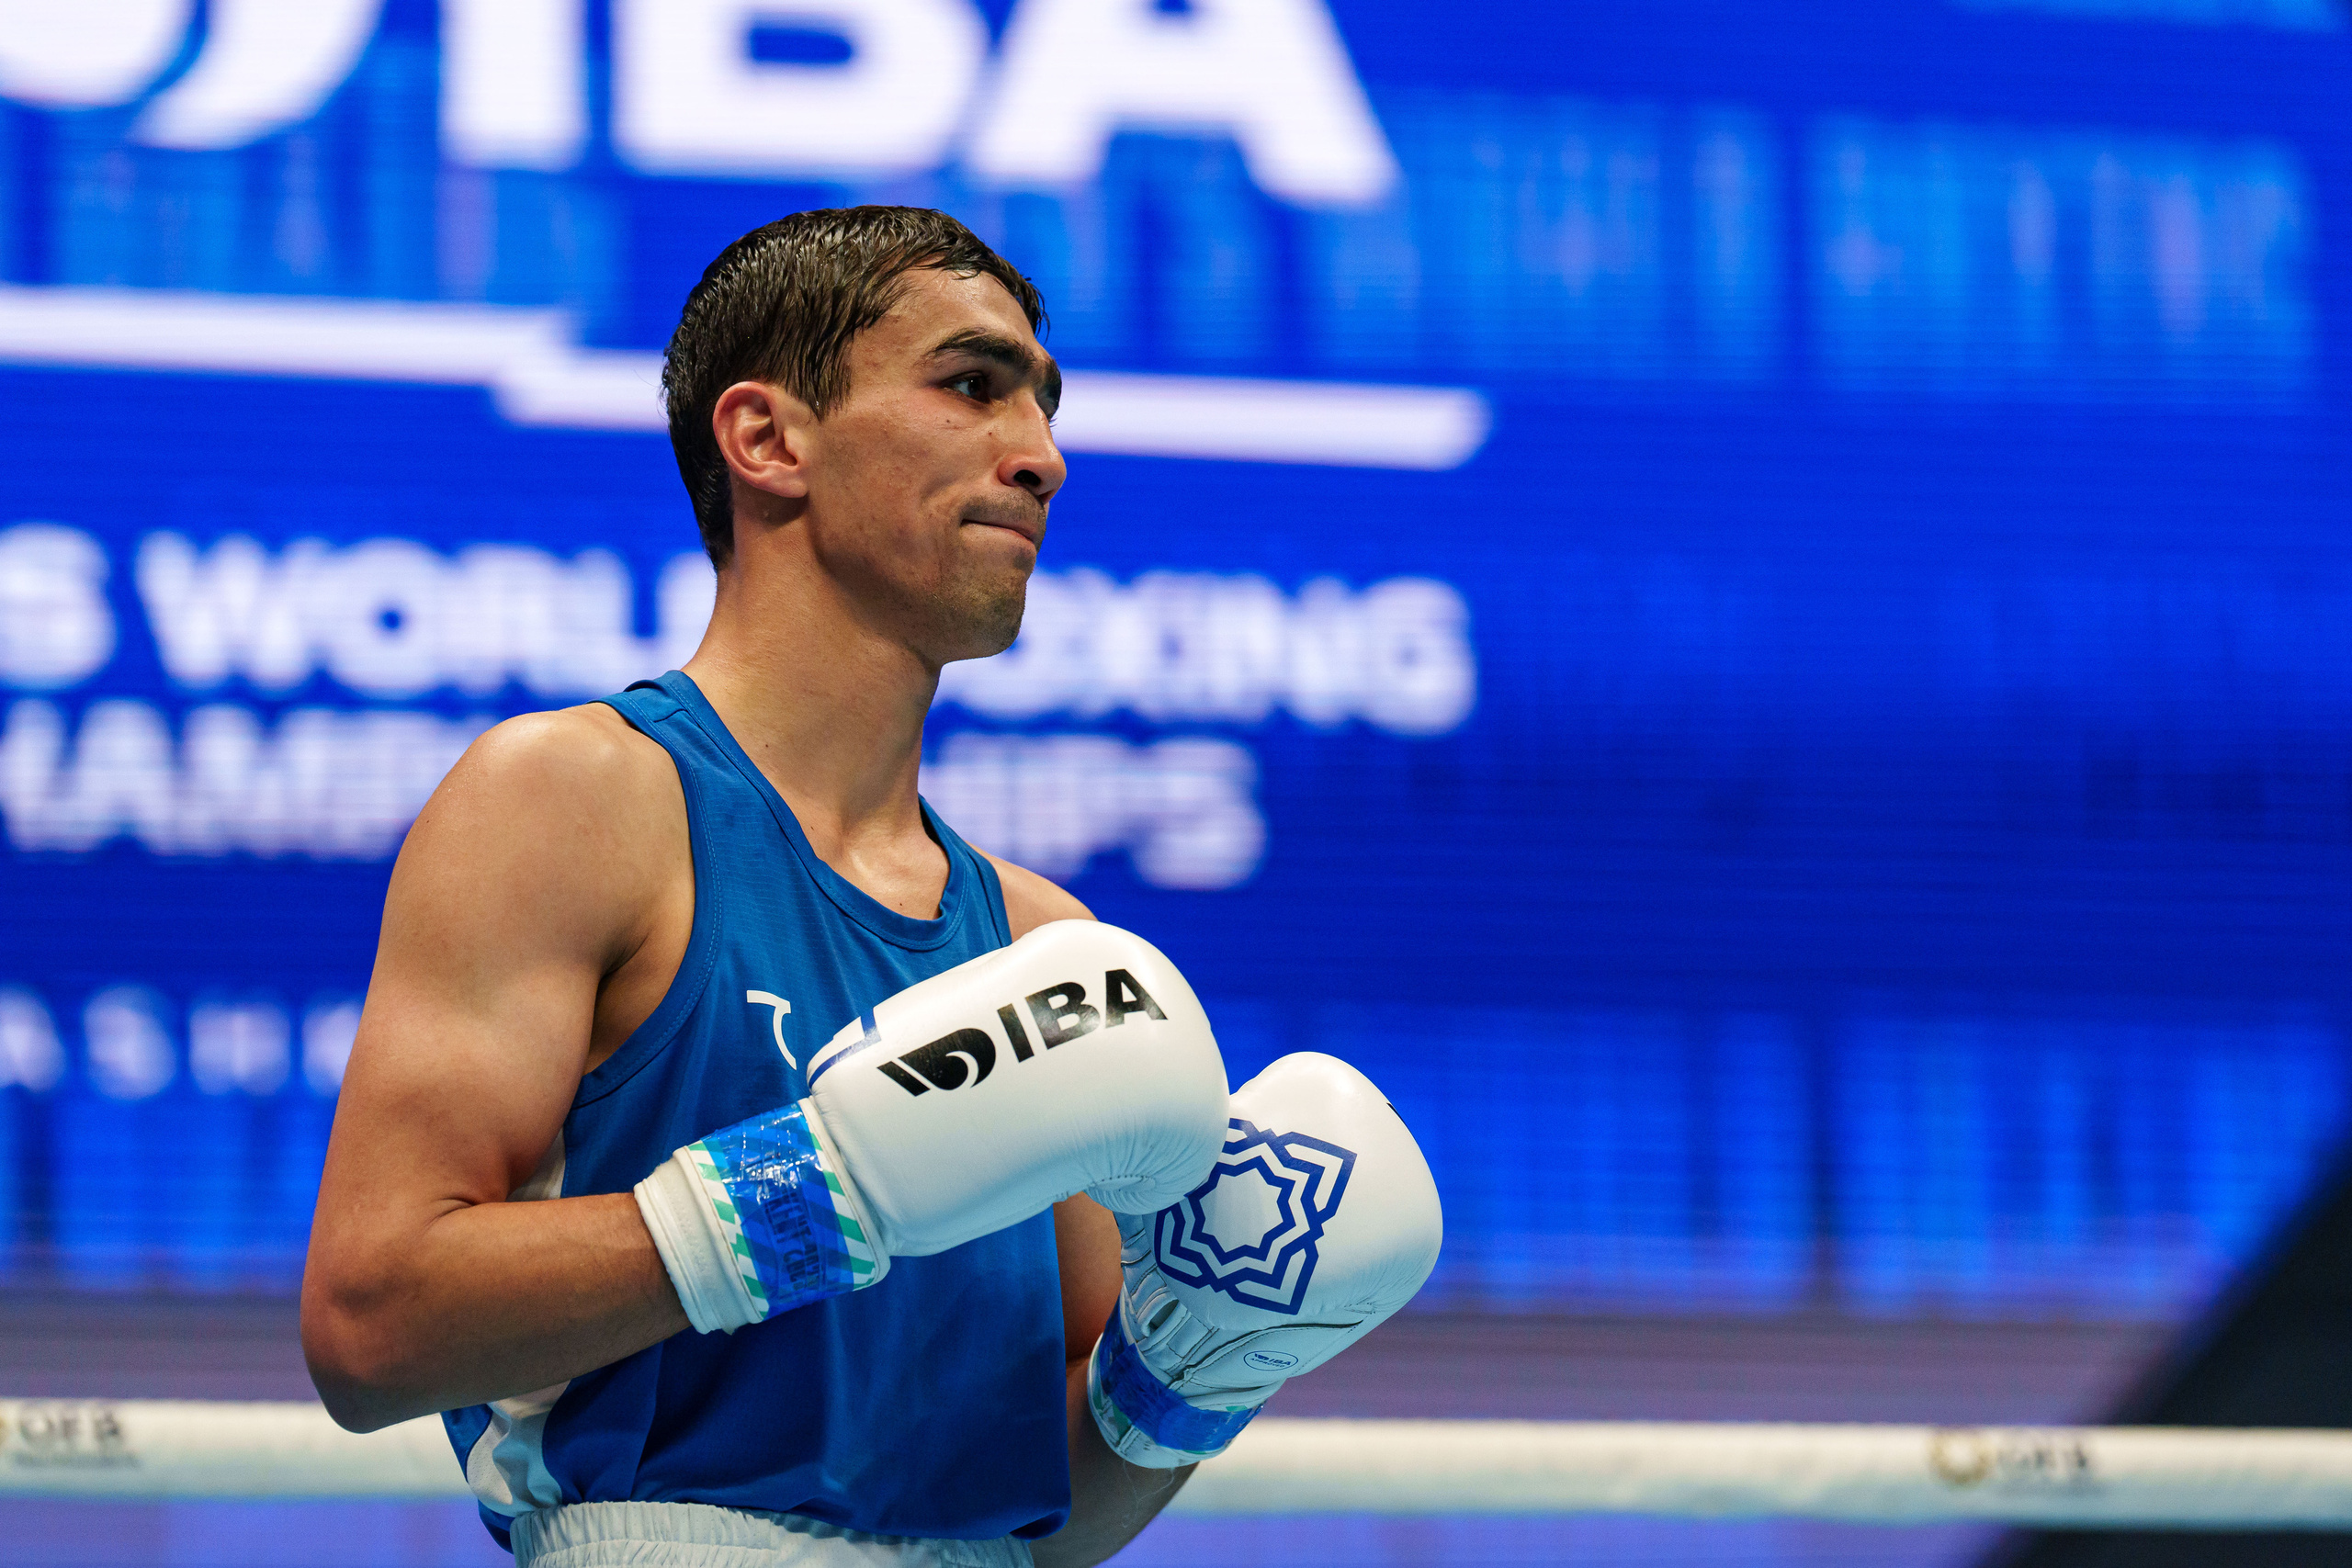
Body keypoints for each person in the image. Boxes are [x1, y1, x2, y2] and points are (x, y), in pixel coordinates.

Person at [301, 207, 1440, 1568]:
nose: (1043, 456)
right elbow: (370, 1331)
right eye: (972, 385)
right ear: (768, 440)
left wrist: (1188, 1372)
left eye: (1045, 406)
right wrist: (820, 1189)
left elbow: (1043, 1516)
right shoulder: (575, 801)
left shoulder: (1039, 948)